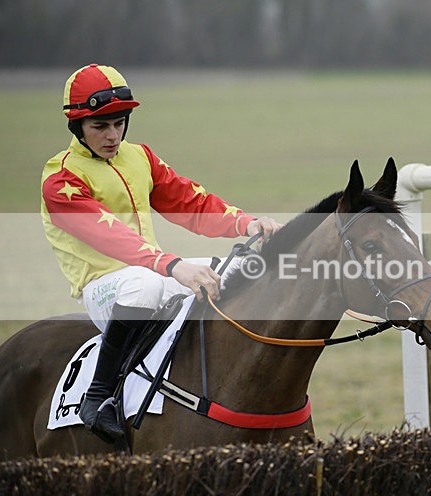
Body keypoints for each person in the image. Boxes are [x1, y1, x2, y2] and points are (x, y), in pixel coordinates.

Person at [41, 64, 282, 443]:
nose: (112, 135)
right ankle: (97, 397)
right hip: (104, 287)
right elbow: (111, 235)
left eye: (119, 123)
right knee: (145, 286)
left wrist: (246, 223)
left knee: (238, 269)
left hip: (153, 272)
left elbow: (189, 201)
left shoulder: (140, 157)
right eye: (100, 126)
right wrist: (173, 266)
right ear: (77, 126)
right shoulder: (60, 179)